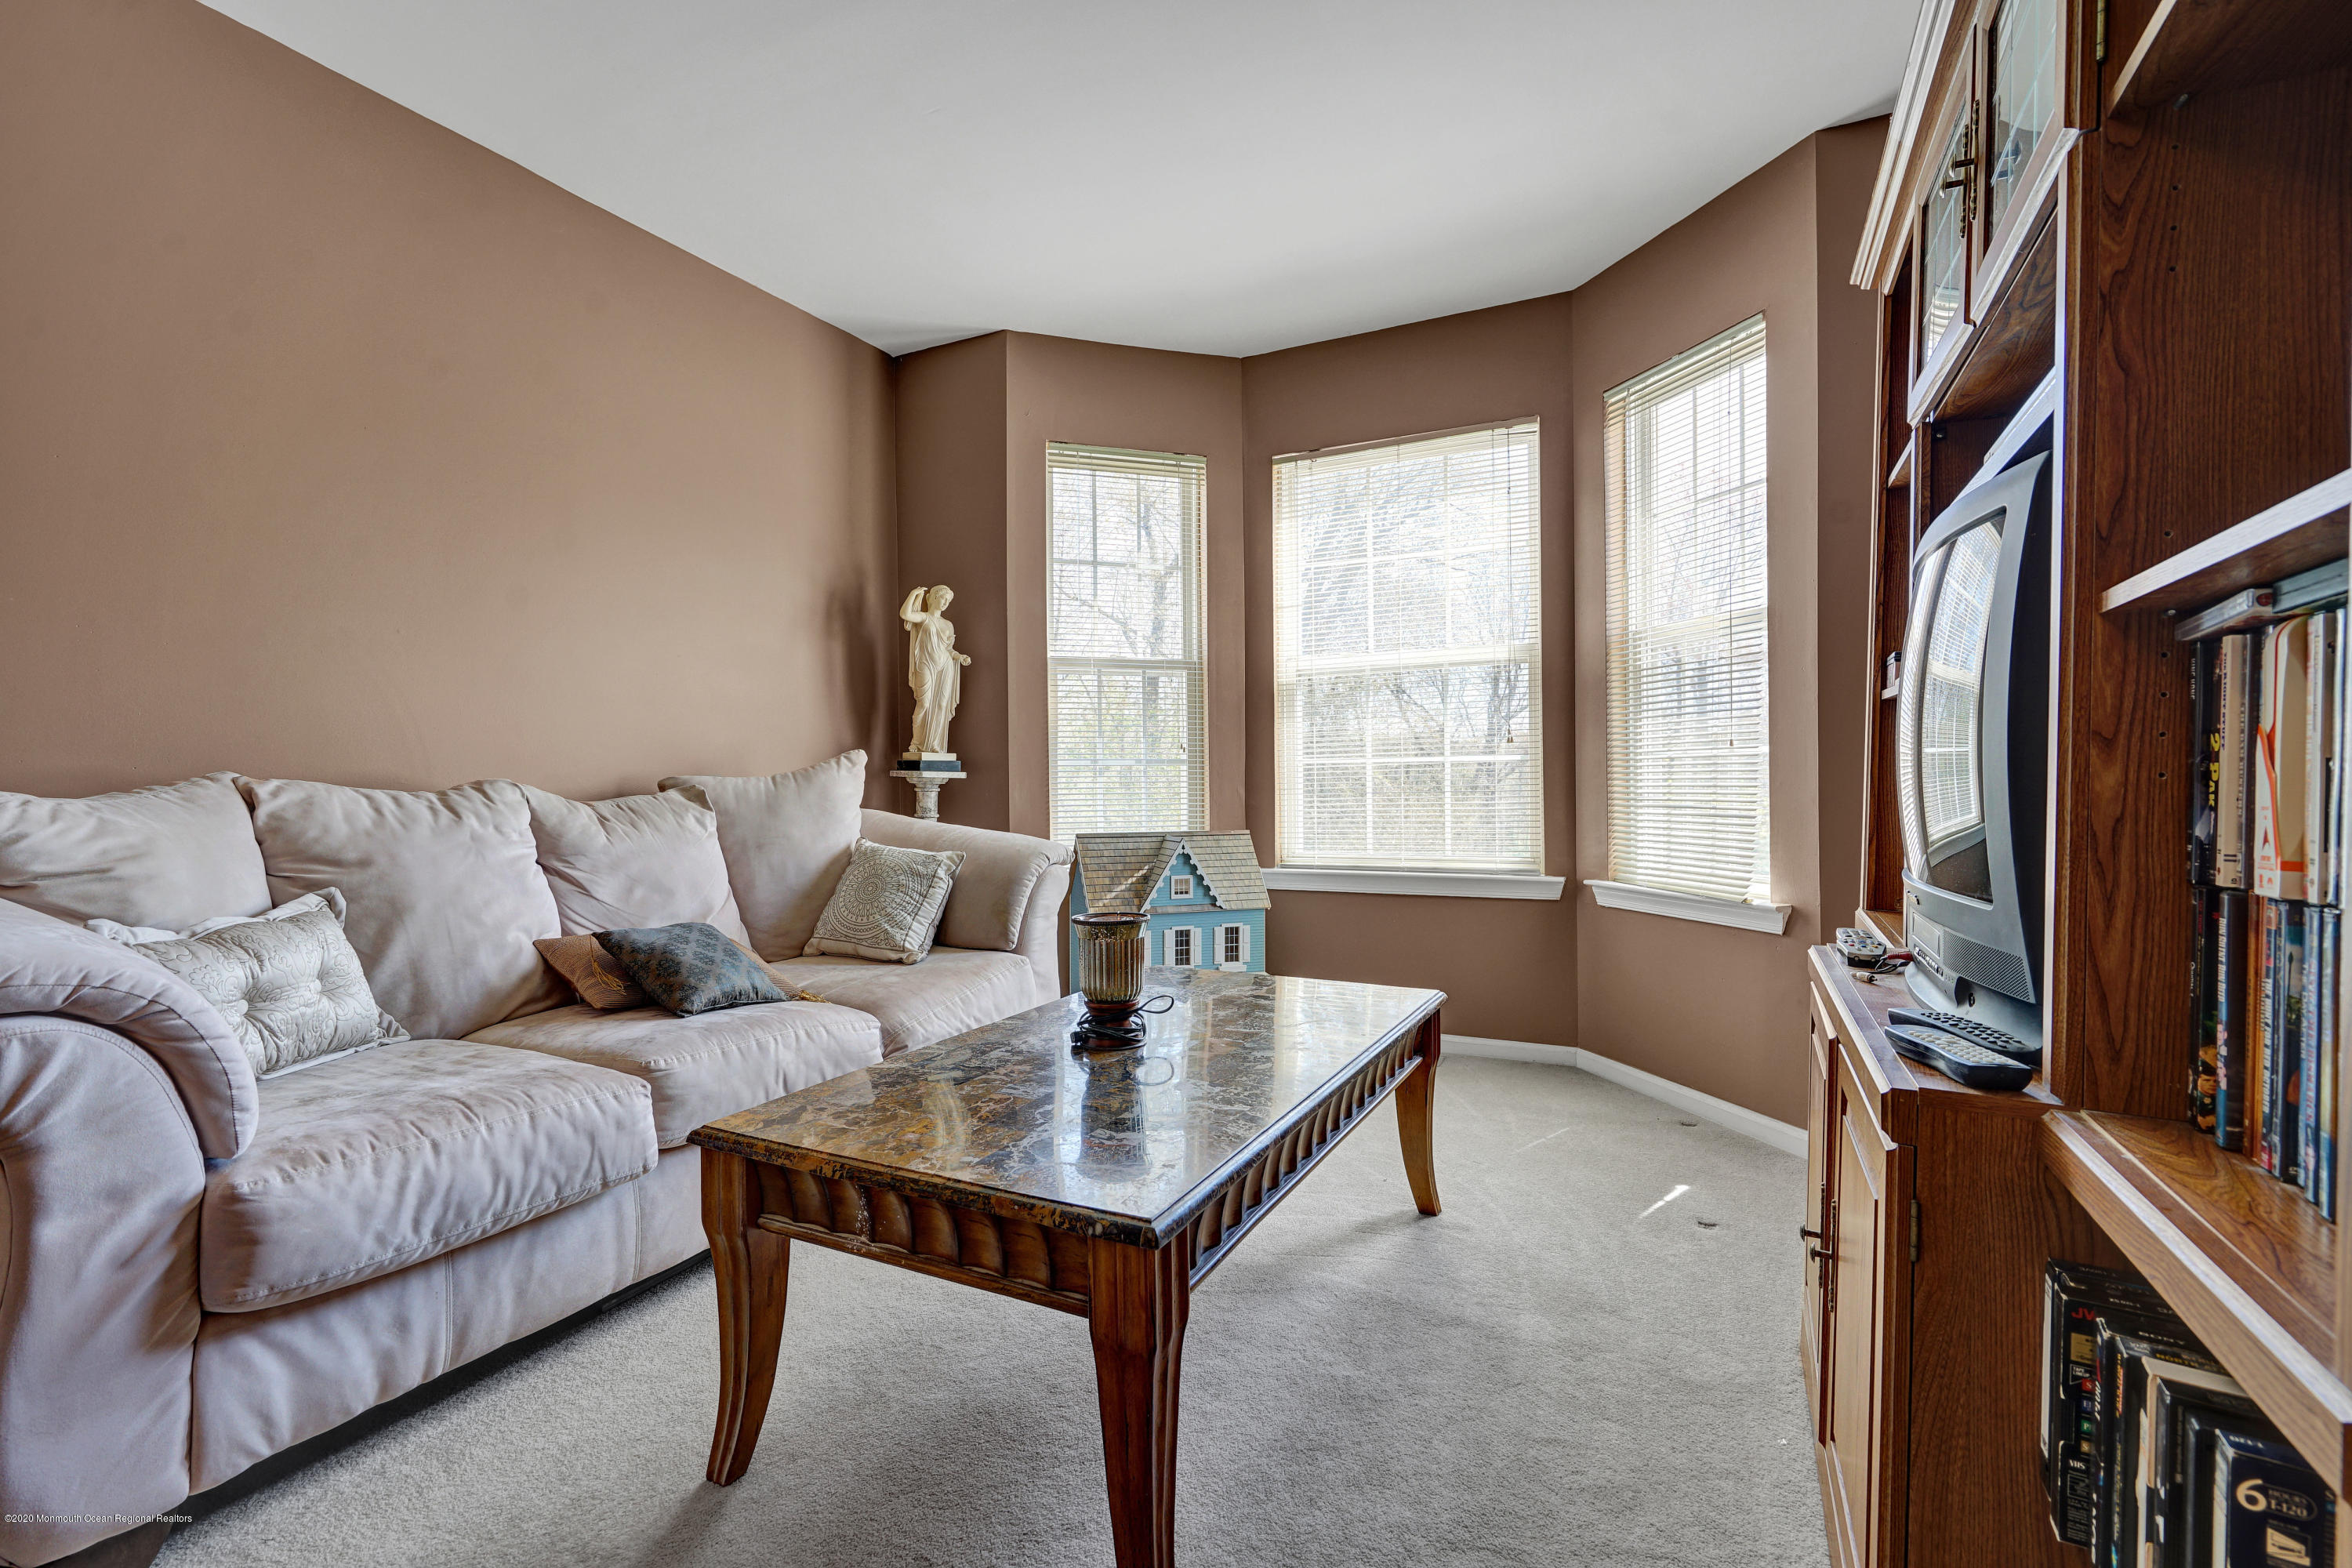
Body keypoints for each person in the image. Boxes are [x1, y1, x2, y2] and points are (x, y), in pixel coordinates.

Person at [901, 585, 969, 756]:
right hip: (926, 664)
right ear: (932, 598)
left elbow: (949, 649)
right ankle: (917, 743)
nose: (945, 602)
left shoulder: (948, 625)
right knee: (924, 702)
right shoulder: (924, 618)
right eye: (943, 598)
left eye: (948, 600)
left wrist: (959, 657)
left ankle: (935, 744)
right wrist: (913, 594)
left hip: (945, 666)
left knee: (941, 705)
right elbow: (905, 615)